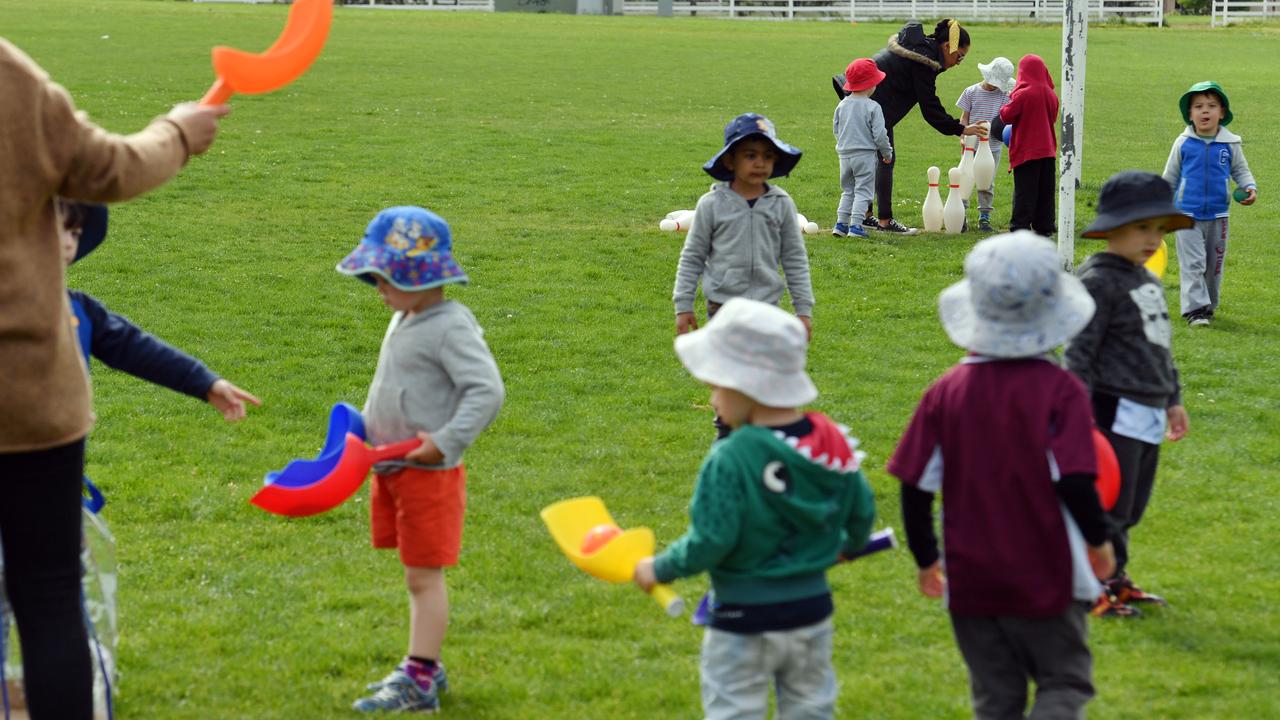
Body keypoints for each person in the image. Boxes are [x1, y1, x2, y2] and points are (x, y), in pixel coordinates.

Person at [0, 37, 228, 720]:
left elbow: (130, 343)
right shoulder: (11, 79)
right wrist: (180, 132)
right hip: (29, 394)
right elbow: (109, 169)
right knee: (47, 595)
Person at [888, 231, 1114, 719]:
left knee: (996, 698)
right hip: (1045, 573)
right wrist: (1100, 542)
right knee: (1063, 683)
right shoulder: (1061, 391)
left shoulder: (945, 392)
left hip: (971, 578)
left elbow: (914, 484)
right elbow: (1075, 480)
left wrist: (927, 558)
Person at [634, 297, 876, 720]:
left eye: (716, 385)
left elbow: (712, 539)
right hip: (810, 614)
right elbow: (861, 510)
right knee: (810, 709)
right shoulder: (829, 440)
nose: (711, 399)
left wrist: (660, 569)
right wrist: (848, 544)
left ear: (744, 386)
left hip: (742, 620)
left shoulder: (730, 458)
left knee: (735, 710)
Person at [337, 206, 505, 713]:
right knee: (413, 571)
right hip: (390, 468)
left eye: (383, 278)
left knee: (423, 576)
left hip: (428, 473)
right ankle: (427, 665)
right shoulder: (405, 314)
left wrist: (446, 440)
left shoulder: (450, 325)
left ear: (421, 277)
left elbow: (487, 391)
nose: (377, 289)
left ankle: (420, 676)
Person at [1065, 170, 1193, 617]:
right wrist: (1078, 414)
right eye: (1143, 228)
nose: (1153, 239)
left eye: (1160, 229)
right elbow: (1078, 352)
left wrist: (1173, 398)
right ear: (1112, 227)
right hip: (1111, 408)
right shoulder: (1098, 281)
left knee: (1133, 505)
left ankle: (1115, 578)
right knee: (1110, 504)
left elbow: (1160, 346)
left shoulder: (1147, 281)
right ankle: (1091, 585)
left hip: (1150, 408)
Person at [673, 112, 815, 438]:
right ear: (730, 161)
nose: (759, 163)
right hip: (723, 309)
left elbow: (794, 259)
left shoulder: (781, 204)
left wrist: (803, 309)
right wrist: (683, 305)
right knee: (731, 379)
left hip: (768, 310)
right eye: (750, 155)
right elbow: (692, 256)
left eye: (767, 156)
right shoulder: (711, 205)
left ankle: (763, 439)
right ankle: (727, 437)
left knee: (765, 381)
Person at [58, 201, 260, 420]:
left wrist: (206, 382)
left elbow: (134, 347)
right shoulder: (14, 309)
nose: (69, 243)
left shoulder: (79, 309)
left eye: (75, 233)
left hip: (66, 449)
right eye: (59, 230)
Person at [831, 19, 988, 234]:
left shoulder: (921, 50)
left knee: (873, 161)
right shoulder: (925, 61)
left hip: (860, 101)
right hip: (874, 106)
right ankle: (884, 221)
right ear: (946, 47)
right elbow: (930, 108)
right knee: (886, 159)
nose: (959, 61)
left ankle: (865, 217)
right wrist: (960, 128)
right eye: (959, 56)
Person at [1161, 80, 1258, 327]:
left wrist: (1249, 188)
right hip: (1186, 214)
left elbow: (1241, 171)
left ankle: (1209, 305)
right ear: (1190, 114)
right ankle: (1195, 310)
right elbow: (1169, 177)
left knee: (1214, 265)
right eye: (1199, 107)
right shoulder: (1183, 143)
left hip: (1219, 215)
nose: (1205, 111)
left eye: (1212, 106)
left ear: (1222, 112)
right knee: (1193, 263)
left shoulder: (1230, 144)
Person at [994, 54, 1059, 237]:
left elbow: (1005, 116)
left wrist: (1011, 96)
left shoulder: (1022, 94)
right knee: (1045, 191)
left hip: (1027, 151)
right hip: (1048, 150)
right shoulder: (1051, 94)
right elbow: (1052, 118)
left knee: (1025, 191)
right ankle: (1045, 225)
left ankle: (1020, 226)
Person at [832, 58, 893, 239]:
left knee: (848, 190)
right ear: (871, 84)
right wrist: (886, 152)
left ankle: (841, 224)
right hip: (864, 155)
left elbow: (836, 129)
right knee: (863, 191)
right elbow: (880, 134)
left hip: (844, 155)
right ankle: (856, 226)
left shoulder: (842, 105)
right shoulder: (873, 107)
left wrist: (843, 145)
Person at [956, 56, 1015, 233]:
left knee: (987, 183)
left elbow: (1007, 121)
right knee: (965, 179)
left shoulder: (1005, 95)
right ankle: (961, 215)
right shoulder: (971, 92)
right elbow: (964, 118)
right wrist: (962, 135)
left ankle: (984, 217)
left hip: (993, 148)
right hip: (970, 146)